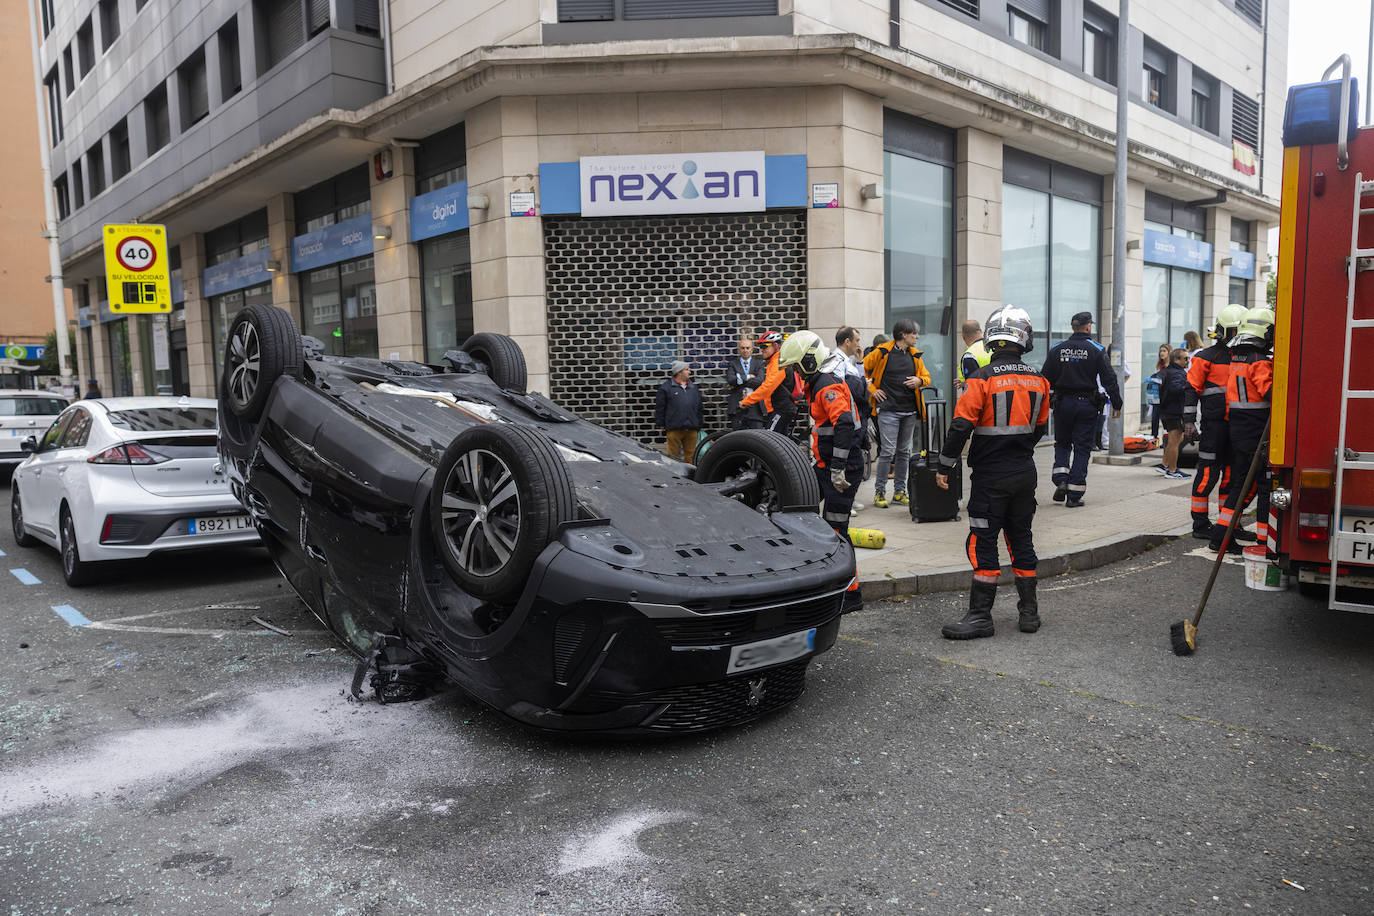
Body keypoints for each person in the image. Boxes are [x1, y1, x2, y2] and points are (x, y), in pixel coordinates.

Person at [934, 306, 1051, 639]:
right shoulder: (1040, 380)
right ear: (1023, 339)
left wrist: (945, 464)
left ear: (991, 339)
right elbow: (1040, 428)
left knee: (983, 543)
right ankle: (1029, 615)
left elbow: (960, 426)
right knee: (1021, 540)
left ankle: (981, 617)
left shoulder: (980, 380)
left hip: (989, 478)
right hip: (1024, 472)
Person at [781, 329, 865, 612]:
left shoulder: (825, 384)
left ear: (807, 361)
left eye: (795, 367)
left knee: (837, 530)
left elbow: (842, 423)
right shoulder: (819, 382)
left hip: (841, 469)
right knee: (802, 512)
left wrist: (838, 468)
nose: (795, 373)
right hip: (826, 466)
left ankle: (850, 595)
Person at [1209, 307, 1275, 553]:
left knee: (1241, 484)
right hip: (1255, 429)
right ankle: (1263, 541)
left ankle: (1220, 535)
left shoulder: (1238, 358)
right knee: (1263, 485)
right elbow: (1269, 393)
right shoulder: (1258, 362)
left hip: (1239, 427)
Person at [1042, 311, 1121, 507]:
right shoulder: (1096, 349)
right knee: (1082, 447)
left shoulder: (1056, 349)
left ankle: (1061, 479)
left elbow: (1044, 379)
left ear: (1072, 327)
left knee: (1062, 443)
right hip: (1086, 404)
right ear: (1088, 326)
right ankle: (1074, 494)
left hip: (1062, 404)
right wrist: (1117, 403)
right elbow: (1109, 379)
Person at [1185, 304, 1249, 539]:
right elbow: (1191, 389)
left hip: (1238, 427)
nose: (1236, 337)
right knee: (1207, 475)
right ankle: (1200, 525)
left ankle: (1228, 524)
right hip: (1214, 428)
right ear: (1222, 331)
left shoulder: (1245, 357)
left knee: (1232, 477)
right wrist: (1189, 422)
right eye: (1233, 332)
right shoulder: (1205, 357)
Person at [862, 319, 931, 509]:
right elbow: (861, 369)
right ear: (903, 334)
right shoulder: (883, 351)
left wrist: (919, 380)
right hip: (888, 411)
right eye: (914, 334)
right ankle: (880, 492)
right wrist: (873, 389)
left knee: (904, 452)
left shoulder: (915, 355)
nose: (917, 337)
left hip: (909, 411)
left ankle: (900, 493)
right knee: (888, 452)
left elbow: (927, 377)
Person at [739, 331, 798, 438]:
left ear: (775, 346)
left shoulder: (779, 362)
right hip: (779, 408)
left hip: (782, 409)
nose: (761, 350)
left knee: (769, 439)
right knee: (780, 442)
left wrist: (746, 401)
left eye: (764, 346)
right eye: (760, 347)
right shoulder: (774, 361)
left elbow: (768, 387)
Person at [655, 361, 702, 463]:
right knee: (672, 457)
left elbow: (699, 407)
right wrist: (661, 423)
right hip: (674, 428)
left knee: (691, 457)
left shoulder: (694, 388)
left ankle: (690, 477)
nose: (689, 372)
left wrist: (698, 423)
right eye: (687, 369)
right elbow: (660, 407)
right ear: (679, 372)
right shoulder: (666, 388)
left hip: (691, 428)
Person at [1155, 349, 1192, 479]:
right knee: (1174, 441)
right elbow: (1175, 388)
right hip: (1174, 411)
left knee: (1176, 439)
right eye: (1185, 358)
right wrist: (1188, 385)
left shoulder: (1167, 371)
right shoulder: (1177, 373)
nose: (1188, 361)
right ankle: (1172, 470)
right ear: (1177, 359)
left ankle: (1165, 464)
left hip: (1167, 410)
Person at [723, 337, 764, 430]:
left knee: (757, 437)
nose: (745, 350)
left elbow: (759, 381)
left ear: (752, 350)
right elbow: (731, 380)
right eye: (742, 348)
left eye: (747, 348)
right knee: (739, 438)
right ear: (739, 349)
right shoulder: (733, 364)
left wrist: (739, 379)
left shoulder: (759, 364)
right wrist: (748, 376)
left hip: (755, 407)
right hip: (737, 406)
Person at [956, 319, 990, 394]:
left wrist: (965, 383)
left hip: (981, 401)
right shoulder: (992, 347)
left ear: (963, 336)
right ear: (980, 331)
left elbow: (973, 386)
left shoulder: (970, 355)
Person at [1147, 343, 1171, 439]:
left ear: (1169, 352)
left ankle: (1166, 438)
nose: (1162, 353)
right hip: (1156, 394)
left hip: (1165, 395)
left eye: (1164, 351)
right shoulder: (1159, 365)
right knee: (1155, 417)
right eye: (1160, 351)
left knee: (1165, 419)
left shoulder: (1170, 366)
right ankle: (1154, 437)